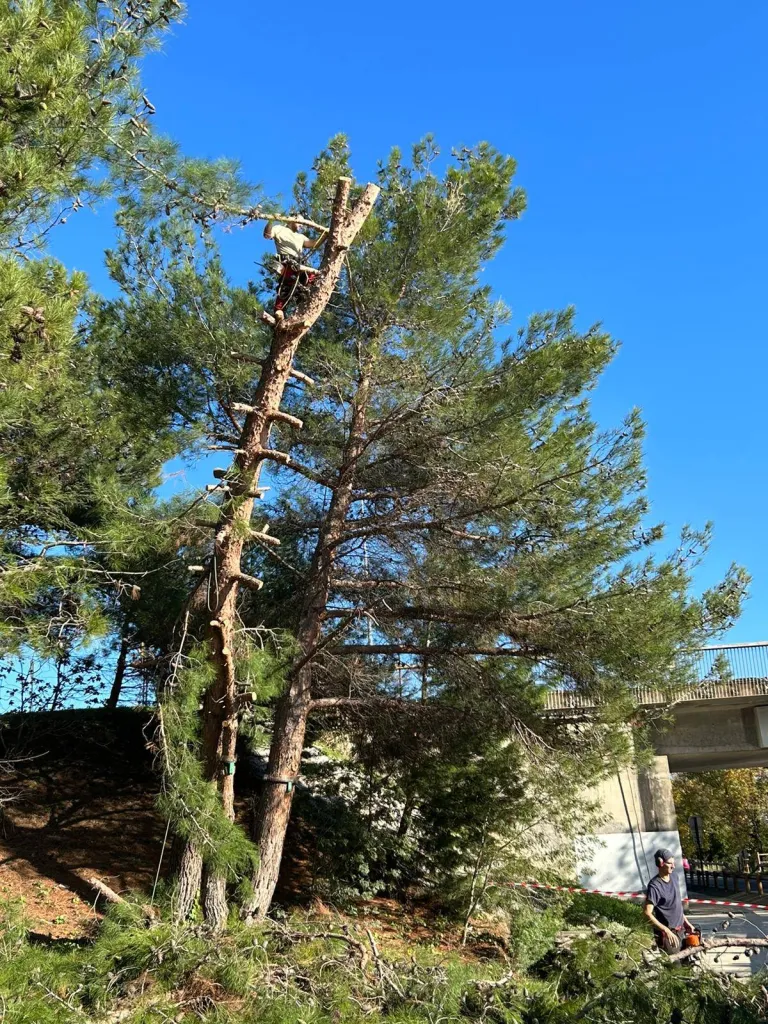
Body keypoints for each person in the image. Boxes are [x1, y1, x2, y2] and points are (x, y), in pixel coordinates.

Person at [263, 217, 328, 314]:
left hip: (300, 264)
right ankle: (278, 311)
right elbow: (267, 235)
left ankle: (304, 306)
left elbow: (314, 244)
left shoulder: (300, 237)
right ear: (292, 219)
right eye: (300, 221)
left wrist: (325, 235)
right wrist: (271, 220)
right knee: (287, 284)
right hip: (287, 261)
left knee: (312, 279)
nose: (301, 224)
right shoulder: (279, 229)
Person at [643, 848, 694, 953]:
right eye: (670, 863)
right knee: (675, 967)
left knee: (688, 964)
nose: (673, 866)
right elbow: (647, 913)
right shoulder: (655, 886)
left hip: (681, 931)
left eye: (674, 863)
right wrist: (666, 930)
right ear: (660, 863)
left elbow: (676, 905)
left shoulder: (675, 877)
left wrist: (686, 923)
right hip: (668, 936)